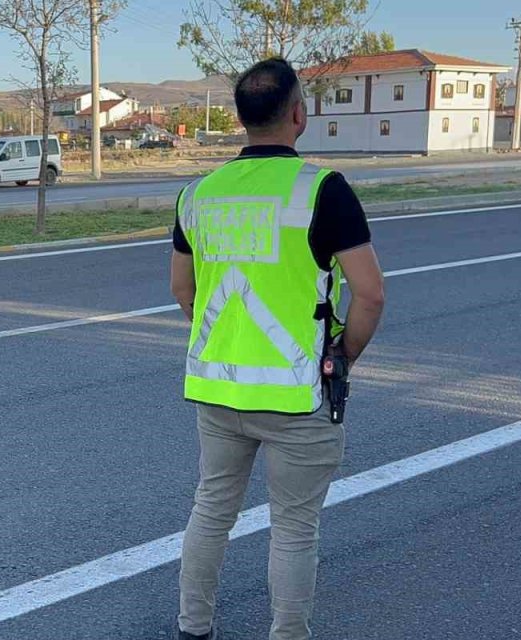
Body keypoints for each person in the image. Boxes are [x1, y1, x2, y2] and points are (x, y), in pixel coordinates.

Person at [169, 58, 386, 640]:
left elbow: (182, 291)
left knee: (211, 509)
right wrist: (342, 356)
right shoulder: (321, 189)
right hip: (298, 395)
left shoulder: (199, 194)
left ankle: (193, 628)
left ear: (240, 118)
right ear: (298, 115)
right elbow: (370, 294)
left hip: (217, 390)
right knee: (293, 526)